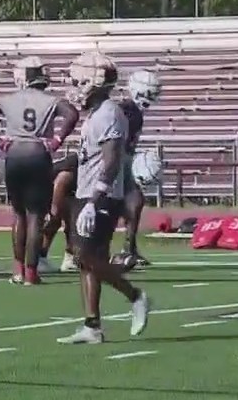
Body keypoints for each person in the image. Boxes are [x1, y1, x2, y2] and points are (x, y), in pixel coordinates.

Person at [55, 51, 149, 344]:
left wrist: (95, 200)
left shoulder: (109, 113)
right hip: (87, 193)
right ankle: (92, 326)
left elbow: (111, 160)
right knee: (85, 261)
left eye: (79, 80)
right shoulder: (97, 113)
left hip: (102, 196)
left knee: (85, 256)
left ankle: (136, 296)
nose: (75, 85)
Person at [0, 56, 79, 285]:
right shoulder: (50, 101)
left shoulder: (9, 99)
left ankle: (18, 270)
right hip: (38, 155)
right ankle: (32, 273)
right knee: (36, 217)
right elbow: (72, 114)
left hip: (14, 155)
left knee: (19, 214)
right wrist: (57, 140)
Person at [113, 69, 162, 268]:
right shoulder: (127, 110)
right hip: (112, 163)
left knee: (136, 201)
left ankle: (129, 249)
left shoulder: (132, 110)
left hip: (121, 162)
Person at [39, 152, 79, 272]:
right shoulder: (72, 169)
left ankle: (70, 258)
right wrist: (54, 209)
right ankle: (39, 258)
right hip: (48, 186)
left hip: (66, 186)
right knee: (54, 220)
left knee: (73, 221)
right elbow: (61, 181)